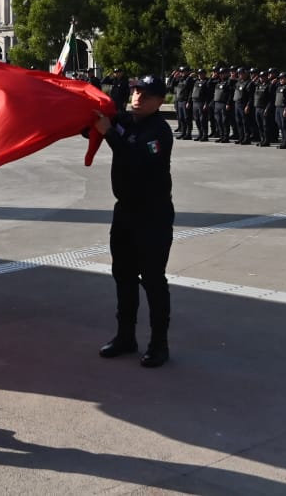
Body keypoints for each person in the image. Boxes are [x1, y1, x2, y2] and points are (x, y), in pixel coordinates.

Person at [93, 74, 175, 369]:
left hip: (152, 215)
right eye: (136, 91)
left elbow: (136, 160)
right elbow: (94, 124)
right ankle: (125, 336)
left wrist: (109, 134)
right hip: (125, 211)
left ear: (160, 101)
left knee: (152, 280)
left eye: (146, 94)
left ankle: (159, 345)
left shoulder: (159, 131)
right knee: (123, 275)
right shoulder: (127, 121)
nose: (138, 97)